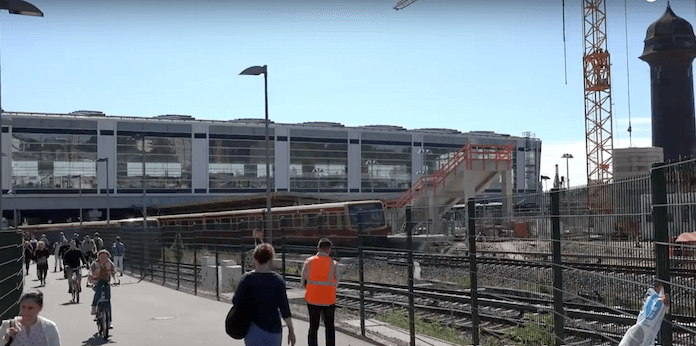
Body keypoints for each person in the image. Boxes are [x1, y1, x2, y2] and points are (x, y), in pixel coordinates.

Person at [232, 243, 295, 346]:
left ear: (255, 258)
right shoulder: (277, 280)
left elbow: (236, 301)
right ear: (270, 259)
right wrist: (291, 330)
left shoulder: (247, 279)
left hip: (253, 328)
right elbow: (285, 309)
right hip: (274, 329)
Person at [301, 238, 340, 346]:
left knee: (313, 327)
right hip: (329, 300)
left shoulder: (309, 261)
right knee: (329, 327)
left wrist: (311, 289)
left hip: (312, 299)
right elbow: (336, 281)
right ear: (329, 249)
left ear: (318, 248)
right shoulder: (334, 264)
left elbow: (303, 280)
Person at [89, 250, 119, 321]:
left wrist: (115, 281)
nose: (103, 258)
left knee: (108, 300)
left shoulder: (110, 264)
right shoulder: (95, 264)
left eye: (105, 257)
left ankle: (109, 321)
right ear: (98, 257)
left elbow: (114, 272)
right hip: (97, 281)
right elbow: (90, 273)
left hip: (106, 282)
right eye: (101, 256)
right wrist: (90, 282)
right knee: (98, 294)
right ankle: (94, 307)